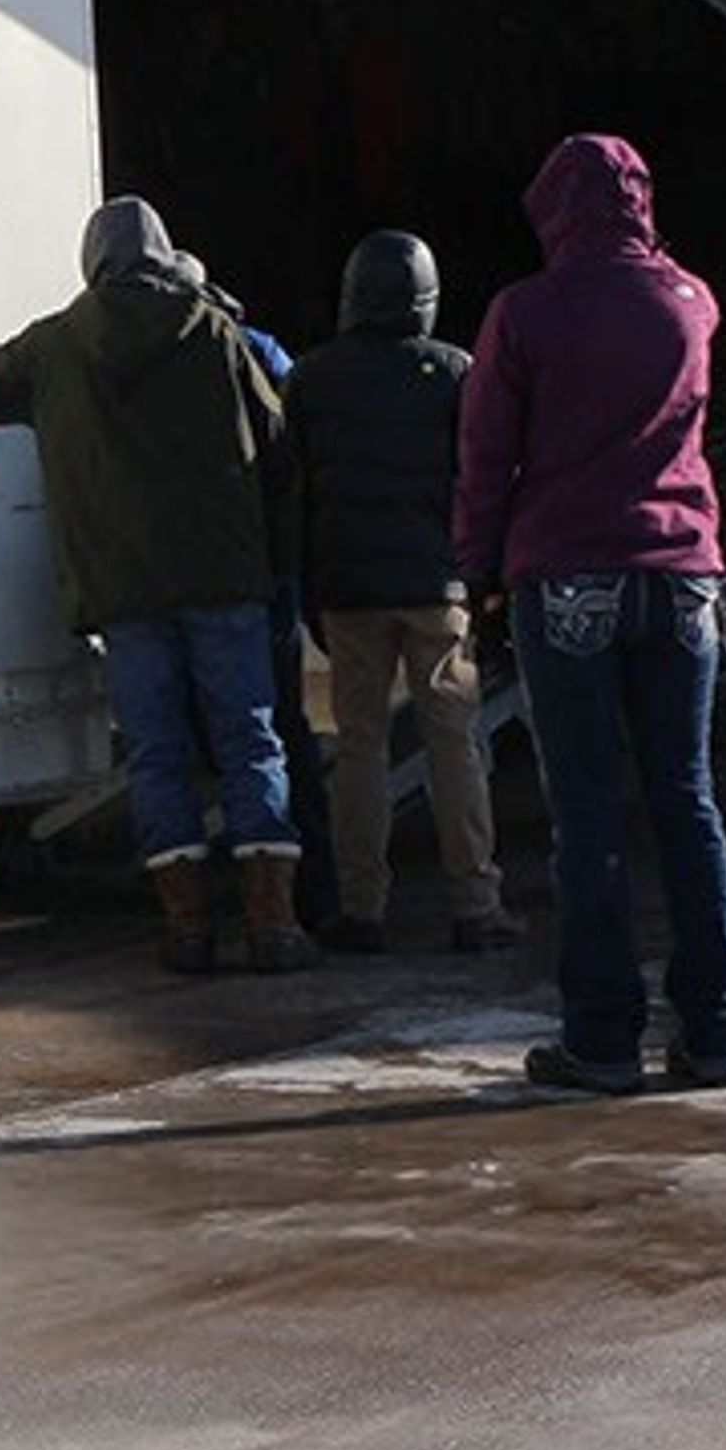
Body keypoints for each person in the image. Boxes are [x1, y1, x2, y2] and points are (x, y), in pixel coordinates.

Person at [0, 199, 309, 973]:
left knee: (157, 755)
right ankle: (274, 925)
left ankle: (186, 930)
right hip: (225, 580)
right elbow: (280, 450)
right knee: (250, 740)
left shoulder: (60, 343)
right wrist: (278, 564)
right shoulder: (215, 332)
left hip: (125, 592)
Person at [454, 133, 726, 1095]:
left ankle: (604, 1040)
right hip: (682, 575)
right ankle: (716, 1035)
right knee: (686, 799)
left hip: (568, 573)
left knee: (587, 813)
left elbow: (486, 456)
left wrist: (480, 572)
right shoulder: (692, 303)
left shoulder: (524, 314)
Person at [287, 230, 516, 954]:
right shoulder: (454, 372)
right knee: (455, 743)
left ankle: (362, 909)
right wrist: (487, 575)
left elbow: (295, 493)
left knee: (359, 748)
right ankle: (475, 905)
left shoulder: (312, 379)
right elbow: (484, 480)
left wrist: (309, 589)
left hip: (349, 588)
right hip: (435, 585)